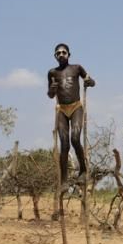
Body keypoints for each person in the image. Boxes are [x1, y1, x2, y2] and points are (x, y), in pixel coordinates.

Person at [47, 43, 95, 184]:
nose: (61, 54)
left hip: (76, 107)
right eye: (58, 53)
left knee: (75, 138)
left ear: (69, 54)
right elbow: (50, 95)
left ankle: (83, 170)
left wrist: (89, 82)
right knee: (64, 144)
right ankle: (63, 180)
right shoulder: (52, 73)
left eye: (64, 52)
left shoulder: (77, 68)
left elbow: (91, 81)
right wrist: (52, 89)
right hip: (61, 109)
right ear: (55, 56)